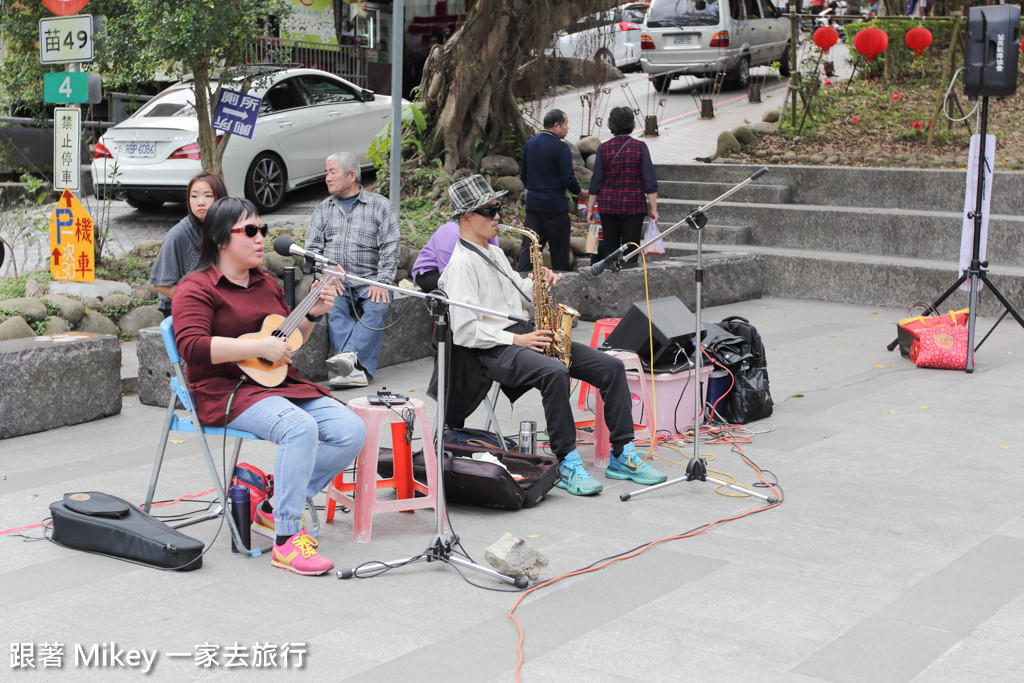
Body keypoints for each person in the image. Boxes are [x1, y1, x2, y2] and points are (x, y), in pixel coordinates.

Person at [439, 175, 667, 496]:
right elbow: (464, 329)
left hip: (521, 335)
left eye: (498, 208)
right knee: (554, 371)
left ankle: (622, 453)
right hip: (490, 349)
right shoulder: (461, 265)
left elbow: (519, 294)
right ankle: (567, 461)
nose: (498, 216)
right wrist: (518, 341)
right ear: (466, 218)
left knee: (610, 367)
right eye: (490, 211)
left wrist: (540, 282)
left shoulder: (493, 253)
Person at [172, 197, 366, 576]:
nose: (261, 238)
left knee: (351, 429)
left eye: (262, 230)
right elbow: (191, 347)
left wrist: (311, 314)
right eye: (249, 231)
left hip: (276, 384)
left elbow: (288, 340)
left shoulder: (265, 283)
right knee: (301, 428)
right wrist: (257, 346)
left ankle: (273, 506)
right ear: (220, 239)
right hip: (223, 389)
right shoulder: (195, 288)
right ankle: (286, 539)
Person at [306, 152, 400, 389]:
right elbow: (312, 250)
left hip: (369, 280)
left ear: (351, 175)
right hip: (335, 279)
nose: (327, 177)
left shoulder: (380, 206)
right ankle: (356, 371)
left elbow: (390, 246)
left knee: (378, 306)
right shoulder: (322, 210)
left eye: (332, 172)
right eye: (326, 172)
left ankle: (346, 365)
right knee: (333, 307)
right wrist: (325, 275)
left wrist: (383, 281)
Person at [585, 107, 659, 265]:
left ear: (611, 125)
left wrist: (590, 208)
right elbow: (649, 181)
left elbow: (596, 181)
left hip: (608, 206)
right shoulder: (640, 147)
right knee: (631, 249)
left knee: (610, 250)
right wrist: (653, 208)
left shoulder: (603, 149)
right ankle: (629, 280)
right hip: (633, 207)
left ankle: (610, 280)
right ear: (631, 124)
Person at [150, 171, 228, 317]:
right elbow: (161, 285)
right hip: (187, 310)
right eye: (194, 196)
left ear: (220, 198)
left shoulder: (228, 230)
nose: (200, 202)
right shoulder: (178, 235)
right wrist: (200, 302)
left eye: (208, 195)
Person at [518, 109, 584, 273]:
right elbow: (567, 178)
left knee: (530, 248)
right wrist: (580, 192)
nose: (568, 128)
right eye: (566, 124)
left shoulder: (530, 144)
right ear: (556, 125)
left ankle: (522, 282)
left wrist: (533, 188)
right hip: (555, 207)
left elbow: (523, 174)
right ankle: (561, 287)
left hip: (533, 205)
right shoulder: (561, 148)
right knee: (559, 251)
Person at [411, 220, 499, 292]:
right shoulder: (450, 233)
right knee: (461, 290)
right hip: (431, 272)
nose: (496, 217)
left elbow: (494, 264)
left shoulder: (491, 232)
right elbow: (447, 274)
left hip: (466, 269)